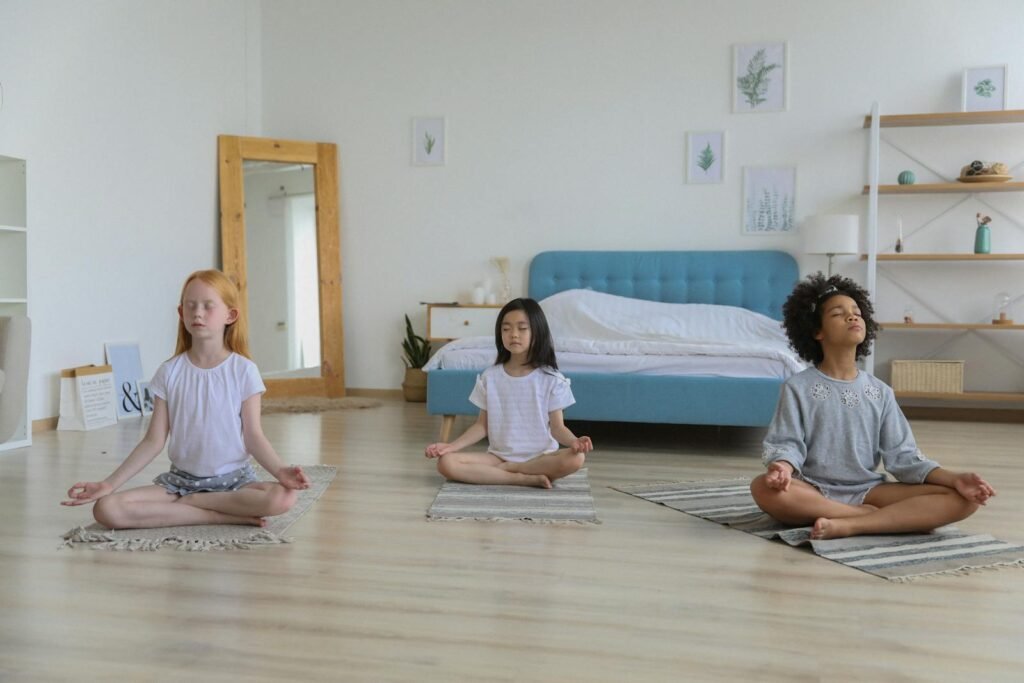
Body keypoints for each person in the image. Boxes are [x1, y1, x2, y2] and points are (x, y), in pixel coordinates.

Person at [750, 273, 996, 540]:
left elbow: (904, 458)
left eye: (857, 312)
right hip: (812, 489)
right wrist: (783, 469)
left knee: (964, 499)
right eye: (838, 313)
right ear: (816, 331)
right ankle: (881, 519)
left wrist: (955, 478)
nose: (852, 317)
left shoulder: (881, 392)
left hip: (870, 490)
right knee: (762, 488)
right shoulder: (797, 387)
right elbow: (787, 443)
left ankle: (851, 524)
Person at [62, 269, 310, 529]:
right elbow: (153, 441)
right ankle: (215, 514)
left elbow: (254, 436)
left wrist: (280, 471)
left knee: (283, 498)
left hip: (235, 483)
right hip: (180, 484)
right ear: (181, 314)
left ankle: (195, 505)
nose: (198, 313)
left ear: (230, 315)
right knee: (106, 509)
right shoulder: (169, 372)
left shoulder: (243, 370)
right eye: (190, 306)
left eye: (207, 306)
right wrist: (109, 484)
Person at [425, 298, 593, 488]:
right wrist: (451, 447)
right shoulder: (491, 376)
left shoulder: (552, 378)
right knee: (446, 463)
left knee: (576, 459)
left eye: (522, 328)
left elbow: (557, 428)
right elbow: (482, 426)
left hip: (541, 457)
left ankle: (510, 470)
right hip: (498, 457)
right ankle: (520, 478)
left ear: (537, 332)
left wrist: (574, 441)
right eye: (506, 329)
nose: (513, 334)